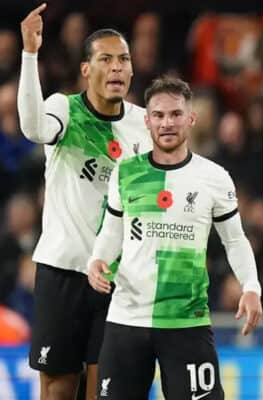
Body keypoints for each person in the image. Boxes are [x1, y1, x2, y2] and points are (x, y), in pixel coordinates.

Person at [87, 76, 262, 400]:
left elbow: (235, 241)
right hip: (127, 317)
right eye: (159, 115)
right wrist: (97, 259)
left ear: (191, 118)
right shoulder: (126, 173)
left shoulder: (214, 177)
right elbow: (111, 231)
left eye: (175, 114)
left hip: (186, 321)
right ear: (147, 121)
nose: (167, 123)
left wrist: (250, 286)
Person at [18, 4, 152, 399]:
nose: (116, 67)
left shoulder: (144, 126)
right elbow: (32, 127)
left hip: (117, 279)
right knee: (58, 388)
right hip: (64, 271)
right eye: (105, 59)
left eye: (123, 59)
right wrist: (30, 54)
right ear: (86, 70)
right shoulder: (64, 108)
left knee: (107, 390)